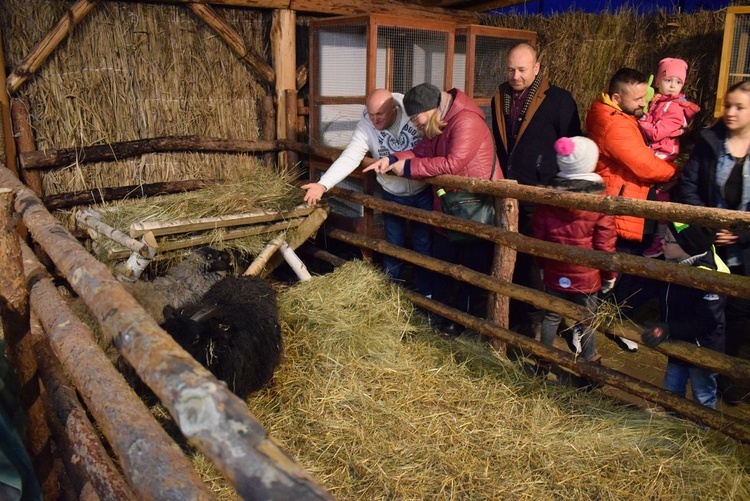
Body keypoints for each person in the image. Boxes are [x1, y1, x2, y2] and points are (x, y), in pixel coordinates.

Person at [365, 83, 501, 336]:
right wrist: (392, 159)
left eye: (416, 118)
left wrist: (406, 169)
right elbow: (420, 151)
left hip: (474, 207)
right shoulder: (438, 124)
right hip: (450, 204)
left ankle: (462, 322)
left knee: (469, 269)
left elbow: (453, 163)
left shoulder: (466, 122)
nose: (414, 124)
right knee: (442, 261)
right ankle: (441, 315)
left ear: (431, 109)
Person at [490, 42, 582, 338]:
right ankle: (514, 314)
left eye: (522, 70)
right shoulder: (499, 99)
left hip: (541, 194)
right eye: (510, 69)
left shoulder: (559, 100)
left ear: (537, 68)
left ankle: (535, 320)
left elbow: (572, 145)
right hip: (510, 191)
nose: (515, 76)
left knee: (535, 261)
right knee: (510, 255)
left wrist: (560, 185)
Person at [301, 89, 432, 295]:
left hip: (422, 191)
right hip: (392, 193)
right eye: (370, 114)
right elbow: (350, 157)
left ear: (394, 109)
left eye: (380, 114)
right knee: (393, 245)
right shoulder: (366, 127)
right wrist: (323, 184)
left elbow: (432, 142)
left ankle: (428, 294)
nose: (374, 119)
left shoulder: (412, 114)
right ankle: (393, 293)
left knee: (423, 244)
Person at [586, 67, 679, 352]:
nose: (644, 103)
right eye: (638, 99)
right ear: (616, 97)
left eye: (645, 96)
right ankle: (599, 321)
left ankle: (609, 319)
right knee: (622, 268)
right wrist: (675, 173)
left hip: (627, 199)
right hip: (621, 205)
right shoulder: (614, 124)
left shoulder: (617, 114)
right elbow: (642, 164)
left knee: (622, 269)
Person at [676, 80, 750, 405]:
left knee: (740, 314)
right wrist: (708, 225)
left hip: (746, 249)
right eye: (728, 105)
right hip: (711, 245)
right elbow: (689, 186)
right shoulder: (710, 142)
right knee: (707, 310)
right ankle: (704, 376)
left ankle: (728, 376)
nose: (730, 112)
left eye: (739, 107)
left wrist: (744, 231)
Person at [533, 136, 617, 364]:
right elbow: (605, 243)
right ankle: (590, 362)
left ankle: (544, 360)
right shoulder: (601, 201)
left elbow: (539, 237)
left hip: (554, 270)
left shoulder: (548, 198)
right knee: (588, 318)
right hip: (587, 276)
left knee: (551, 315)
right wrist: (609, 276)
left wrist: (542, 267)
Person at [635, 223, 728, 409]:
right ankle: (672, 424)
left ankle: (702, 432)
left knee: (702, 394)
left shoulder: (709, 278)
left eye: (668, 240)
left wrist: (667, 328)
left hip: (702, 348)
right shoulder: (674, 266)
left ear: (687, 247)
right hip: (676, 340)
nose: (662, 243)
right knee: (671, 387)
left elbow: (705, 322)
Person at [638, 58, 701, 258]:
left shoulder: (675, 108)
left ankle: (661, 235)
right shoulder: (658, 102)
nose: (673, 85)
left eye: (678, 82)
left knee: (661, 194)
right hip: (654, 151)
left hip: (663, 154)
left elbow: (657, 133)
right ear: (657, 81)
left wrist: (641, 118)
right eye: (668, 80)